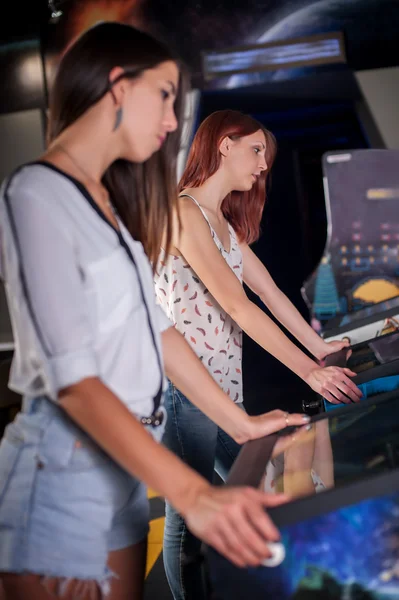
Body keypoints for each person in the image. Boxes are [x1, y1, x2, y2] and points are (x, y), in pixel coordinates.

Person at [0, 24, 309, 600]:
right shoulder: (34, 194)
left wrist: (243, 426)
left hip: (121, 464)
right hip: (59, 472)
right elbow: (73, 379)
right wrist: (192, 494)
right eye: (164, 96)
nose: (172, 121)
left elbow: (159, 330)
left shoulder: (111, 207)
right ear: (118, 87)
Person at [154, 109, 362, 600]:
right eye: (256, 151)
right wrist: (310, 371)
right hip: (184, 391)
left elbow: (269, 292)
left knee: (254, 488)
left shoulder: (221, 223)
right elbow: (236, 305)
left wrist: (321, 348)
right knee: (188, 513)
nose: (263, 165)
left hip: (221, 393)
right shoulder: (183, 212)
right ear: (224, 144)